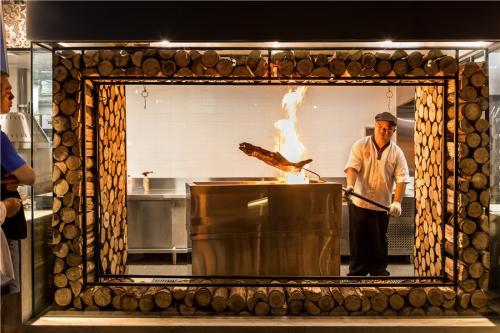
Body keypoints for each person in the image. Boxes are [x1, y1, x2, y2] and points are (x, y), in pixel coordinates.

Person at [344, 112, 409, 276]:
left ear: (393, 131)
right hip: (359, 203)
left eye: (388, 129)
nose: (383, 131)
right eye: (380, 127)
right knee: (358, 241)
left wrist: (397, 202)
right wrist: (350, 186)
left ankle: (378, 272)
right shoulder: (361, 145)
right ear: (375, 126)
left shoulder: (397, 153)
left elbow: (401, 179)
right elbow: (352, 168)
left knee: (379, 242)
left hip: (382, 206)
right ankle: (356, 273)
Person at [1, 71, 36, 293]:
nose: (12, 96)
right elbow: (30, 176)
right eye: (6, 91)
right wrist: (6, 206)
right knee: (5, 293)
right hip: (5, 229)